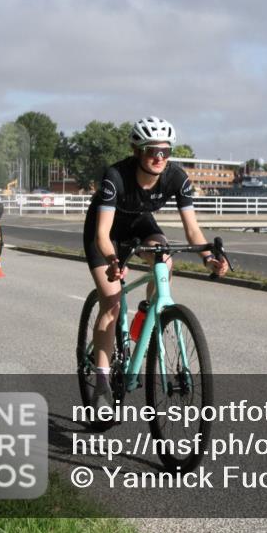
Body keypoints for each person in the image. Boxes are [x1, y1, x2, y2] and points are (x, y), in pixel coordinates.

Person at [84, 117, 227, 408]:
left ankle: (147, 316)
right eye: (152, 151)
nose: (159, 158)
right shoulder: (116, 176)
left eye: (165, 152)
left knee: (164, 257)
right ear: (137, 151)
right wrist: (114, 259)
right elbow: (102, 234)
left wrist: (209, 257)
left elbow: (192, 230)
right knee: (110, 301)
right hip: (104, 232)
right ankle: (101, 381)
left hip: (139, 225)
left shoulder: (176, 177)